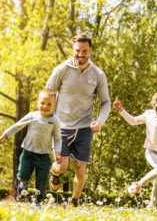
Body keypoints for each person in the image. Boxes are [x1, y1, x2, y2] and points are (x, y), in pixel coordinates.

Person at [45, 34, 111, 207]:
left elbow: (106, 103)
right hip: (61, 126)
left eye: (84, 51)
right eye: (77, 51)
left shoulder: (98, 75)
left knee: (81, 168)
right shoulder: (62, 69)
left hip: (84, 127)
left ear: (90, 51)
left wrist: (100, 121)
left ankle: (74, 200)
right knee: (61, 166)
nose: (81, 55)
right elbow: (47, 93)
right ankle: (55, 173)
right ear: (73, 50)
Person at [0, 89, 62, 209]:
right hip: (28, 153)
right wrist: (1, 138)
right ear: (37, 103)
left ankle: (37, 202)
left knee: (42, 180)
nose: (45, 106)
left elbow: (57, 138)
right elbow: (16, 126)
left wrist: (58, 153)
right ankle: (24, 183)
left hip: (43, 155)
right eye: (42, 103)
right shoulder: (32, 116)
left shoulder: (55, 121)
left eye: (49, 104)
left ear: (54, 105)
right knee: (23, 175)